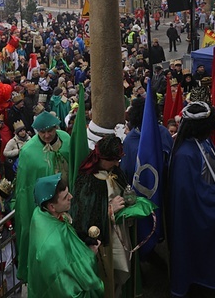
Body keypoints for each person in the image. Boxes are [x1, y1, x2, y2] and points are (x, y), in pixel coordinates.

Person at [168, 101, 215, 297]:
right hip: (196, 217)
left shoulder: (202, 141)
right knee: (196, 255)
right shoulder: (185, 155)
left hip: (205, 210)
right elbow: (192, 195)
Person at [71, 136, 131, 298]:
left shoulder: (115, 171)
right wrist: (110, 211)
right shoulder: (87, 180)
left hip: (120, 233)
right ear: (102, 159)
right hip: (104, 241)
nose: (118, 164)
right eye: (114, 160)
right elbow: (83, 217)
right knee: (107, 278)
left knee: (120, 275)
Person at [14, 111, 70, 283]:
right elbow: (25, 187)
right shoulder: (28, 152)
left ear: (56, 128)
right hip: (45, 211)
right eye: (42, 132)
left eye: (50, 131)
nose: (46, 135)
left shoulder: (66, 140)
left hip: (68, 203)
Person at [27, 173, 104, 298]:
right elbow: (68, 288)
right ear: (52, 206)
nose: (71, 197)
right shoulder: (52, 244)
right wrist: (89, 254)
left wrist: (79, 240)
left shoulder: (42, 214)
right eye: (65, 197)